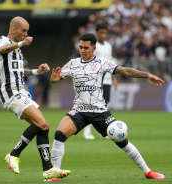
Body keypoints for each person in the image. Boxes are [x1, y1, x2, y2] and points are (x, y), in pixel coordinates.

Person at [50, 33, 165, 180]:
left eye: (86, 47)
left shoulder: (102, 63)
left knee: (122, 142)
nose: (82, 50)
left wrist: (146, 75)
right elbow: (57, 78)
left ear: (94, 48)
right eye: (80, 47)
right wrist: (54, 80)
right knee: (59, 134)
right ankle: (55, 173)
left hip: (100, 111)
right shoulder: (72, 64)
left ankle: (148, 171)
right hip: (79, 110)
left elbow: (125, 70)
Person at [0, 16, 70, 182]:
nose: (26, 34)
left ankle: (48, 169)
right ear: (14, 29)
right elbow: (1, 50)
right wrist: (21, 43)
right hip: (11, 91)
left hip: (20, 91)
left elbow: (19, 71)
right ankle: (13, 154)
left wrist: (37, 71)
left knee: (44, 127)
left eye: (27, 31)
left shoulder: (17, 50)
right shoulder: (4, 41)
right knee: (41, 124)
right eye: (24, 30)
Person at [83, 23, 118, 139]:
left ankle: (102, 131)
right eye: (101, 33)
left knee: (104, 105)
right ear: (97, 33)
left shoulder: (108, 46)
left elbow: (110, 63)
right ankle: (87, 131)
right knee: (92, 105)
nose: (103, 35)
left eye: (105, 33)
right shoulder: (93, 46)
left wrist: (114, 78)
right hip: (94, 80)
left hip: (107, 79)